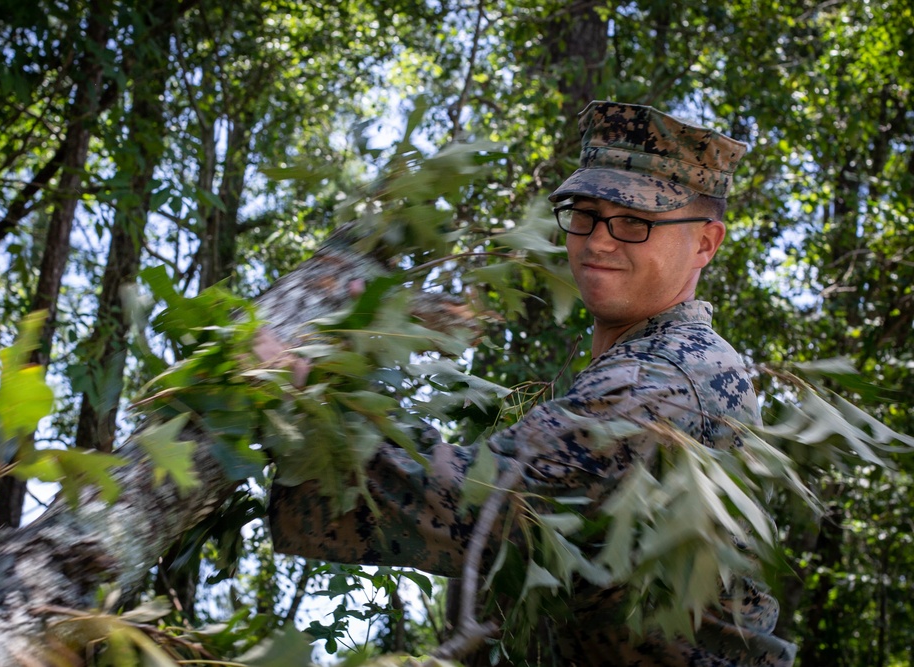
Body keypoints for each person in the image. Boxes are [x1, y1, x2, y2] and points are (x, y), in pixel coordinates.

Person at [268, 101, 797, 665]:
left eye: (634, 222)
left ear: (705, 243)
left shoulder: (667, 379)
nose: (598, 241)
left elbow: (481, 505)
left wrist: (308, 406)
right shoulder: (646, 361)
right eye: (586, 214)